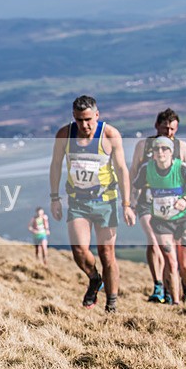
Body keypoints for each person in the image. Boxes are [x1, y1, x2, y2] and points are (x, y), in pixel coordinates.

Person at [49, 95, 135, 313]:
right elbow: (56, 165)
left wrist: (126, 204)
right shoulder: (65, 135)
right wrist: (54, 198)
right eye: (79, 120)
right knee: (79, 250)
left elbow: (122, 169)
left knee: (107, 254)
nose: (84, 125)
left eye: (88, 119)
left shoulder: (110, 134)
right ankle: (95, 278)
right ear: (73, 117)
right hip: (78, 201)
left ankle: (111, 304)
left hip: (105, 201)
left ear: (97, 115)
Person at [129, 108, 186, 303]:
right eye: (165, 128)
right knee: (154, 240)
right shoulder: (144, 145)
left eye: (172, 129)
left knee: (178, 253)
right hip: (148, 201)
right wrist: (130, 202)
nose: (168, 132)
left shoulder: (182, 147)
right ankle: (159, 286)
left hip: (176, 205)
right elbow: (134, 172)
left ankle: (177, 287)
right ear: (156, 126)